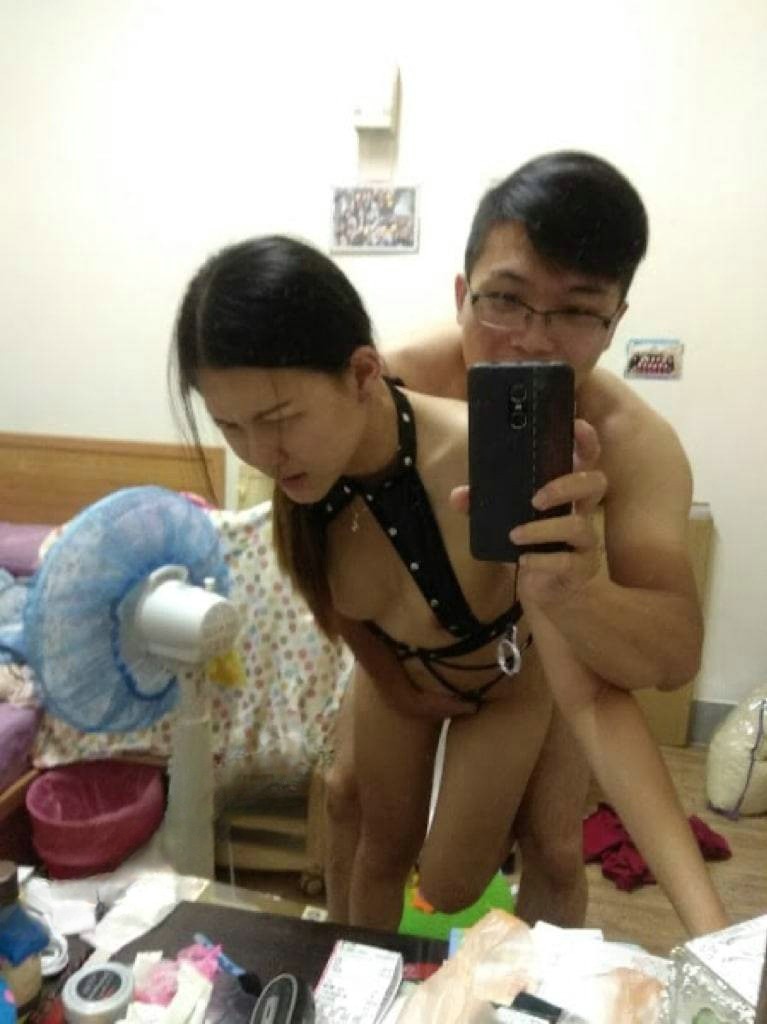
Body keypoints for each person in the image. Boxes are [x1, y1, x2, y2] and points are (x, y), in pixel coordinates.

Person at [171, 232, 727, 938]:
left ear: (363, 373)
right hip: (401, 674)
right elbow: (341, 612)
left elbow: (602, 691)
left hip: (508, 681)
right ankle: (350, 977)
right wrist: (395, 684)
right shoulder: (306, 482)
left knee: (452, 883)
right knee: (376, 844)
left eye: (278, 421)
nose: (259, 453)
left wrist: (711, 929)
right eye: (230, 426)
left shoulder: (488, 459)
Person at [324, 150, 727, 933]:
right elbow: (325, 551)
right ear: (460, 295)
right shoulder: (391, 391)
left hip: (535, 650)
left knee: (553, 843)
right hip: (405, 638)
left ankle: (542, 986)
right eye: (505, 300)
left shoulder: (632, 444)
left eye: (576, 311)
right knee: (346, 796)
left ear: (614, 322)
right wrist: (389, 677)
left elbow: (673, 652)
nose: (532, 341)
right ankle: (337, 965)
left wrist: (585, 588)